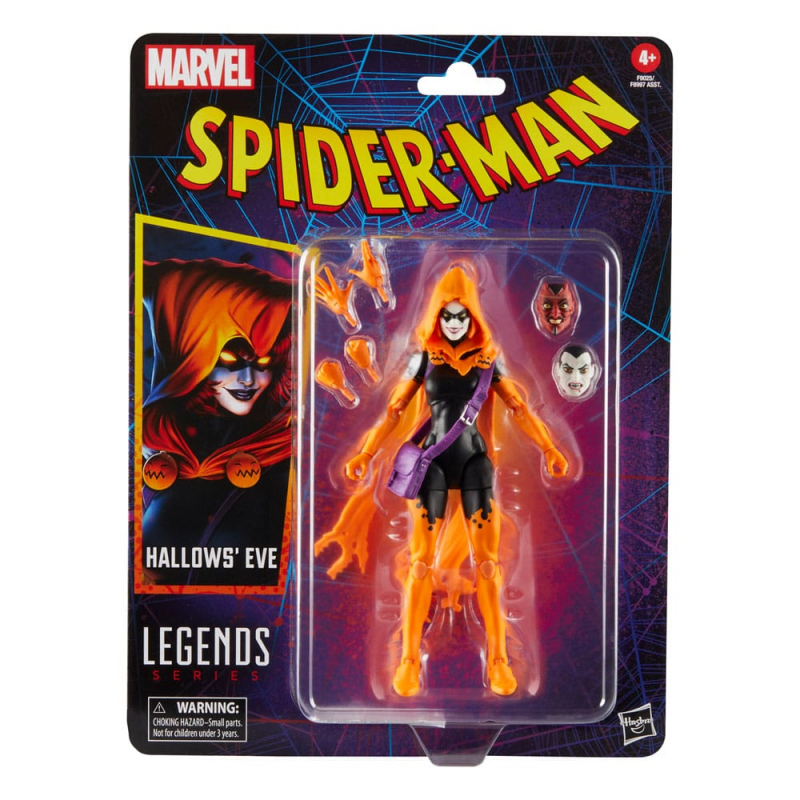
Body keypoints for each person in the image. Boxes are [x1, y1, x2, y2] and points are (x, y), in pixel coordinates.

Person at [317, 263, 569, 697]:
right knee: (419, 564)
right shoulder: (423, 360)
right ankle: (409, 660)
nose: (454, 323)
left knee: (487, 565)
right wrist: (365, 453)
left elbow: (520, 408)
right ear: (436, 316)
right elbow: (394, 410)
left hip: (474, 466)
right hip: (432, 465)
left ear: (473, 317)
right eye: (447, 316)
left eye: (461, 315)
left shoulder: (489, 363)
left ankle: (499, 660)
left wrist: (549, 448)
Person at [141, 257, 293, 586]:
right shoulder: (155, 446)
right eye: (229, 361)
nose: (249, 380)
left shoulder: (279, 454)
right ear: (189, 355)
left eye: (264, 363)